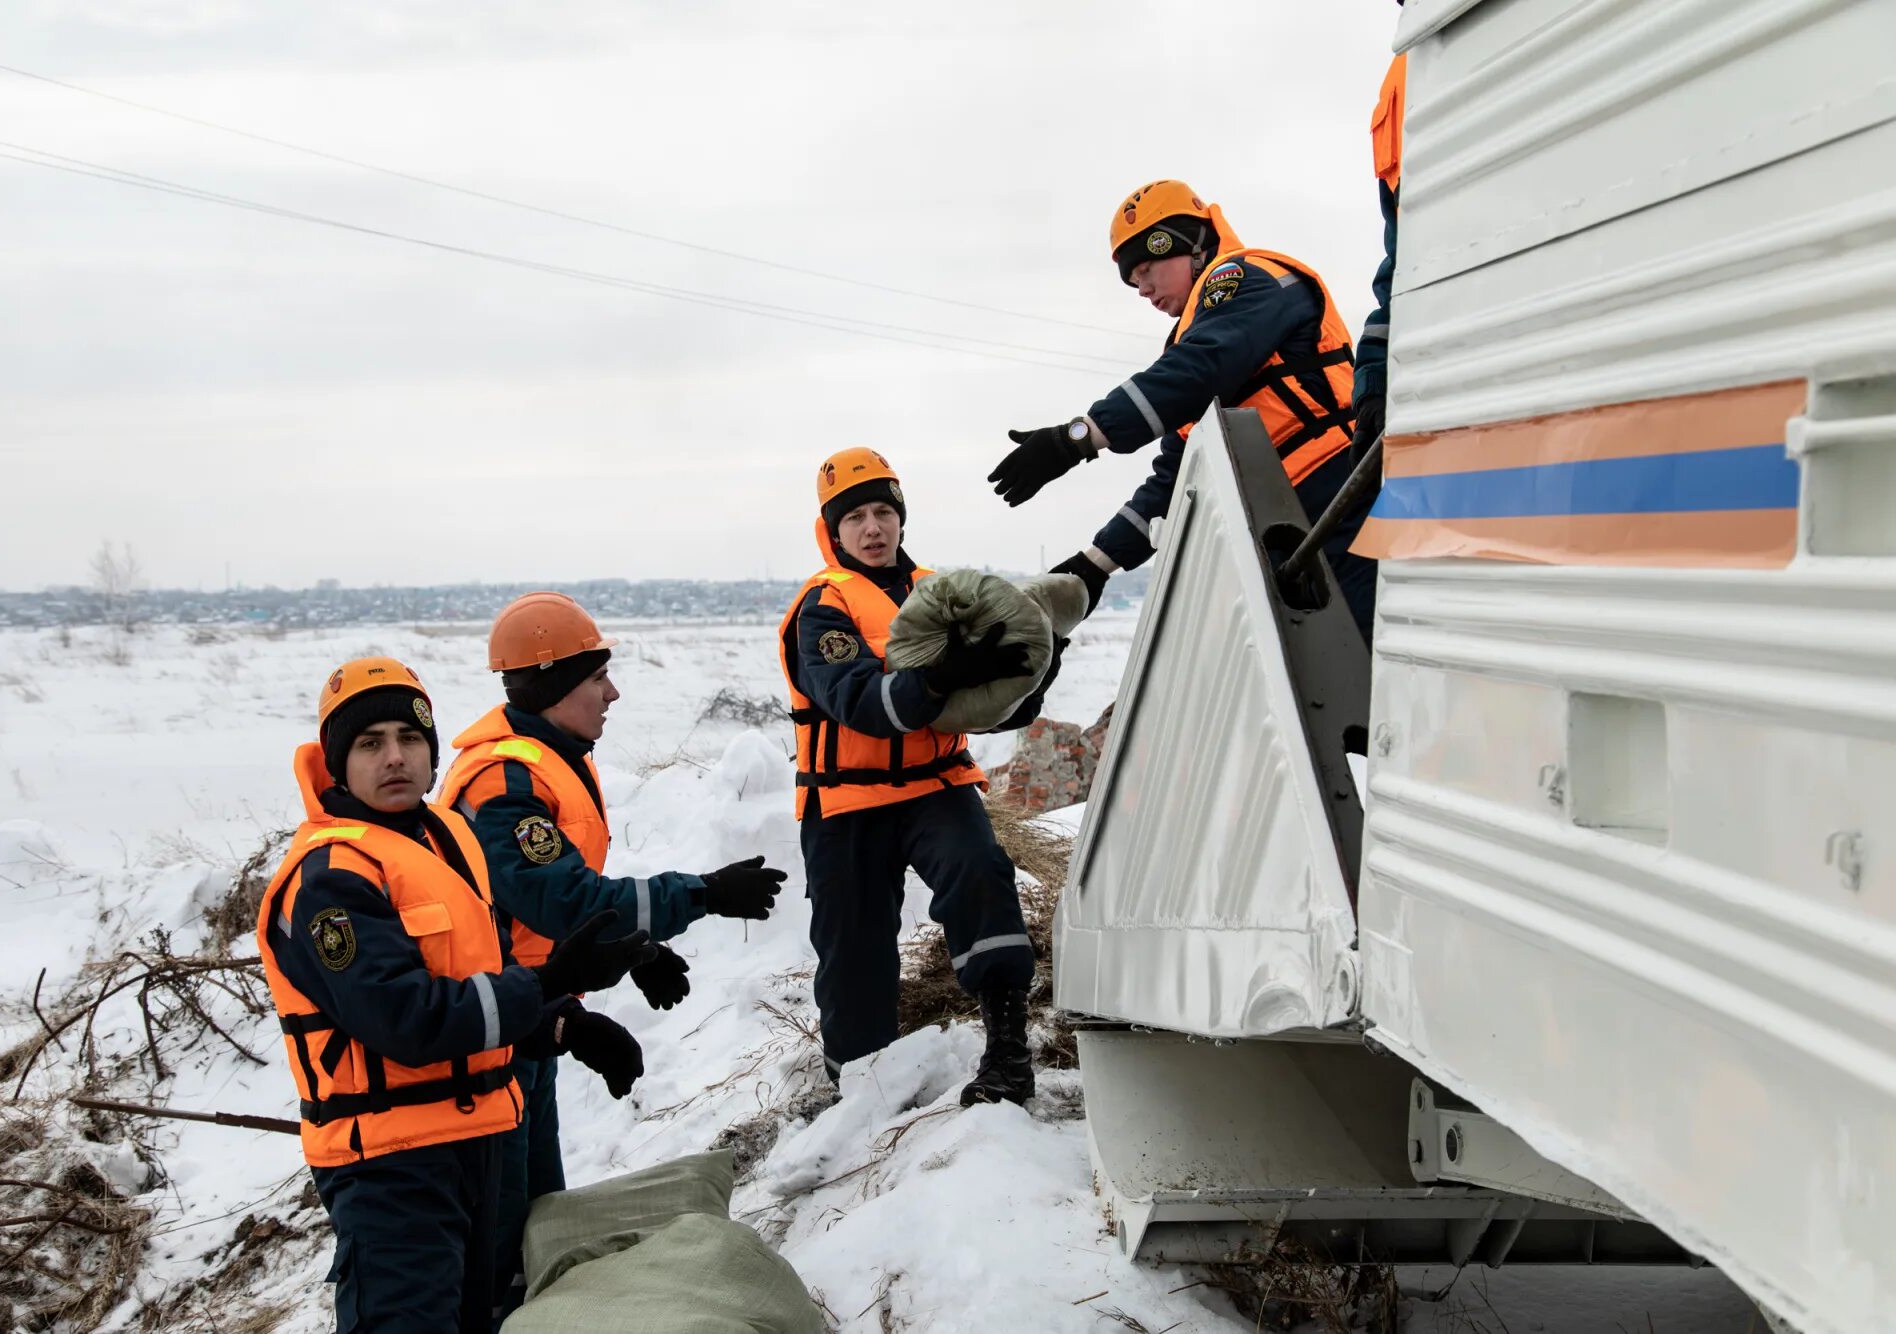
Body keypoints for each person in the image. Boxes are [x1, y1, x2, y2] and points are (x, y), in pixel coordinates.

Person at [254, 656, 653, 1333]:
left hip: (476, 1142)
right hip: (390, 1168)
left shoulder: (444, 841)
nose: (394, 758)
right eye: (370, 743)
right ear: (337, 762)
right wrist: (547, 984)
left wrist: (562, 1025)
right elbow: (406, 1018)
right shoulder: (328, 879)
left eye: (410, 739)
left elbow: (475, 981)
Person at [439, 595, 786, 1319]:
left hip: (530, 1019)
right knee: (499, 1247)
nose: (613, 692)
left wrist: (632, 953)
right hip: (488, 1042)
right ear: (552, 683)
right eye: (598, 675)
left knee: (537, 1226)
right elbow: (563, 900)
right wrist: (706, 895)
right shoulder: (504, 783)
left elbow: (555, 915)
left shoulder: (550, 760)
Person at [989, 180, 1377, 636]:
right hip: (1282, 528)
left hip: (1343, 495)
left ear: (1187, 244)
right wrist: (1094, 566)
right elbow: (1174, 481)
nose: (1142, 289)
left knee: (1377, 663)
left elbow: (1199, 368)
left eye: (1147, 269)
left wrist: (1078, 437)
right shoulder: (1192, 341)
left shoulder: (1246, 278)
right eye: (1135, 281)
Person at [779, 447, 1039, 1106]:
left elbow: (987, 707)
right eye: (857, 517)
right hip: (846, 803)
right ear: (832, 531)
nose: (873, 529)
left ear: (900, 518)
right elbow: (861, 703)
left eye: (884, 513)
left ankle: (1009, 1052)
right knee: (854, 957)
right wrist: (946, 673)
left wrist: (1028, 678)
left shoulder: (941, 592)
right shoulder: (824, 607)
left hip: (936, 784)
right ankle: (857, 1090)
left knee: (981, 873)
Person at [1353, 20, 1406, 466]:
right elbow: (1404, 255)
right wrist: (1374, 374)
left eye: (1145, 271)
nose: (1145, 289)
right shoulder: (1403, 72)